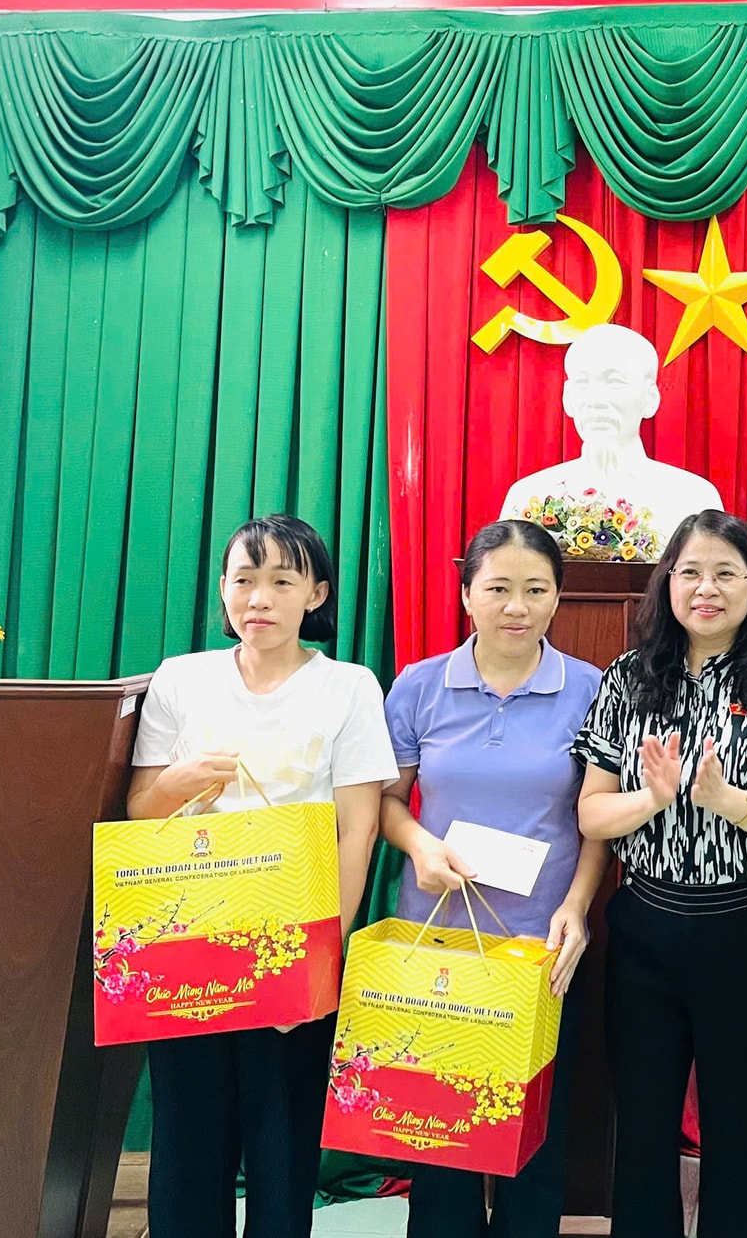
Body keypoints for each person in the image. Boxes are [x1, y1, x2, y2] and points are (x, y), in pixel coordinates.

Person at [127, 514, 396, 1238]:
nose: (260, 598)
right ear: (223, 589)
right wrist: (176, 782)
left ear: (317, 593)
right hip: (188, 941)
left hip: (291, 943)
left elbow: (358, 829)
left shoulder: (349, 687)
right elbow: (140, 813)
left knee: (282, 1143)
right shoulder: (182, 679)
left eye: (281, 580)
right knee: (186, 1139)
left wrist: (318, 960)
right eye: (244, 579)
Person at [574, 510, 747, 1238]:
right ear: (667, 582)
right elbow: (592, 814)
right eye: (690, 571)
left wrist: (731, 802)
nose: (707, 588)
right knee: (643, 1121)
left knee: (742, 1125)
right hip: (647, 924)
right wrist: (651, 799)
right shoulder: (630, 677)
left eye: (727, 572)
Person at [379, 519, 606, 1238]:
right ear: (466, 594)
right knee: (440, 1131)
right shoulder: (419, 685)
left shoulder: (591, 688)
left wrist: (578, 905)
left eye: (536, 590)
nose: (517, 606)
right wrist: (420, 844)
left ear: (557, 597)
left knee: (531, 1138)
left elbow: (596, 819)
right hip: (437, 939)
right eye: (499, 588)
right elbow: (386, 802)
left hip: (540, 947)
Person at [499, 324, 723, 544]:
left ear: (650, 398)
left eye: (615, 382)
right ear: (567, 398)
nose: (595, 400)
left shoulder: (693, 497)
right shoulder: (529, 497)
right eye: (582, 383)